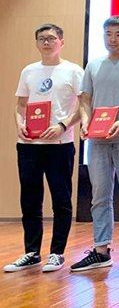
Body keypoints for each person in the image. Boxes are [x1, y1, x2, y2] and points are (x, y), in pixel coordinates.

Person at [68, 16, 119, 272]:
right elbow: (85, 101)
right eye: (108, 34)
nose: (112, 39)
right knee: (99, 196)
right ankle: (101, 250)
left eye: (118, 34)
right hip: (97, 141)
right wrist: (85, 123)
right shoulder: (93, 65)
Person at [4, 24, 84, 273]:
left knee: (61, 199)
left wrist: (63, 125)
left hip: (59, 144)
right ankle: (31, 252)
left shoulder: (73, 71)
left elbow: (84, 107)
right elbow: (20, 105)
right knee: (30, 198)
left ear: (61, 41)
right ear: (37, 42)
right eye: (41, 39)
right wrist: (19, 125)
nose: (46, 43)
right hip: (29, 144)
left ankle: (57, 253)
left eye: (51, 38)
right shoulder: (29, 71)